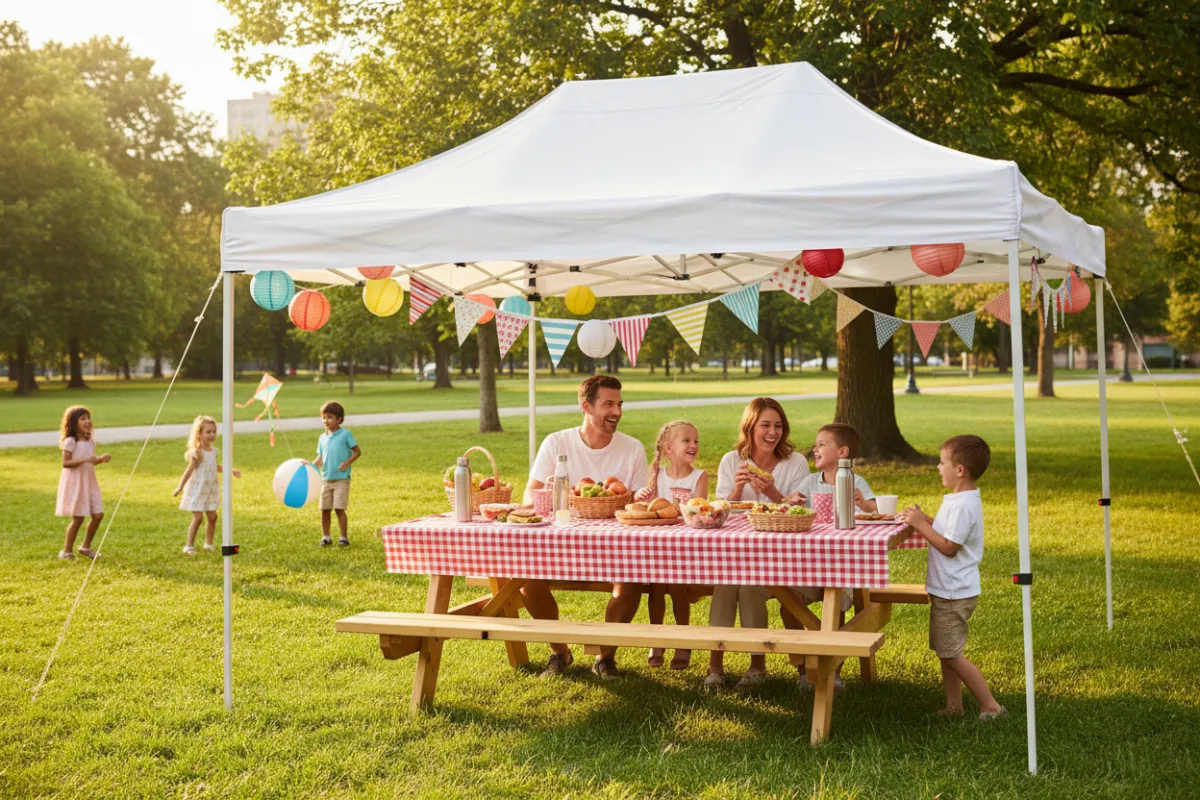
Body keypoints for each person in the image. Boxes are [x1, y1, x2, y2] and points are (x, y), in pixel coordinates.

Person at [524, 375, 649, 680]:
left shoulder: (632, 448)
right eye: (608, 404)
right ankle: (559, 651)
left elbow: (641, 507)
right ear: (586, 406)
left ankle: (605, 658)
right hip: (560, 546)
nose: (616, 411)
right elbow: (529, 496)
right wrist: (547, 492)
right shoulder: (557, 442)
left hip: (615, 548)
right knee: (524, 578)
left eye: (619, 404)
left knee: (631, 579)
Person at [897, 435, 1007, 721]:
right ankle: (953, 706)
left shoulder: (963, 506)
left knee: (951, 655)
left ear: (960, 470)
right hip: (948, 589)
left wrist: (921, 525)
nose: (937, 467)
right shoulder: (958, 500)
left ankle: (991, 706)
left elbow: (949, 546)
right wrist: (927, 519)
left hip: (954, 592)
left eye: (942, 462)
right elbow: (947, 532)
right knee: (947, 652)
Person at [707, 397, 811, 693]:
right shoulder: (732, 460)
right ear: (750, 428)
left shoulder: (796, 463)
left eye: (778, 426)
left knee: (750, 585)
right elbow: (718, 510)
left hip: (786, 555)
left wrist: (773, 493)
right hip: (739, 552)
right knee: (726, 584)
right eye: (765, 425)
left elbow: (800, 512)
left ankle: (756, 667)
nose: (772, 432)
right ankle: (715, 668)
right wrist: (737, 490)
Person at [784, 423, 876, 690]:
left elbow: (873, 509)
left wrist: (863, 503)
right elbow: (790, 507)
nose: (816, 448)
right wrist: (790, 504)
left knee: (832, 605)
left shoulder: (855, 481)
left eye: (822, 444)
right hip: (809, 566)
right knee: (787, 603)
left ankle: (833, 670)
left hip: (841, 566)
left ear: (842, 451)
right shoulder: (810, 482)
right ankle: (803, 669)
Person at [635, 419, 708, 670]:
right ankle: (657, 640)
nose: (693, 445)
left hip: (684, 547)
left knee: (678, 589)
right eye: (686, 440)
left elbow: (699, 508)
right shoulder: (657, 476)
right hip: (658, 546)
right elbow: (649, 508)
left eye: (695, 440)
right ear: (668, 448)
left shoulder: (700, 476)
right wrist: (642, 496)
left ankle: (682, 640)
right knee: (656, 590)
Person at [172, 415, 240, 555]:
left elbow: (216, 466)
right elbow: (189, 471)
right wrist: (180, 487)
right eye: (208, 432)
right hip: (198, 489)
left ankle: (208, 544)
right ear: (199, 434)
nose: (212, 435)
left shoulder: (214, 451)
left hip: (210, 490)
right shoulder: (197, 453)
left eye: (214, 431)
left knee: (213, 517)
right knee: (198, 518)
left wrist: (231, 470)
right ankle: (188, 546)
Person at [56, 406, 110, 560]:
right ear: (73, 423)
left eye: (88, 417)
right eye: (83, 418)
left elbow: (90, 462)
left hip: (89, 481)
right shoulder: (70, 441)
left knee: (98, 515)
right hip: (75, 482)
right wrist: (86, 459)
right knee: (78, 518)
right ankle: (66, 551)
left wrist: (100, 459)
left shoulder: (89, 441)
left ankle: (85, 546)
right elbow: (65, 463)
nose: (87, 421)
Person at [313, 401, 361, 547]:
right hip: (326, 479)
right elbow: (321, 457)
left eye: (330, 417)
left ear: (339, 419)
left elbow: (357, 451)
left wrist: (347, 463)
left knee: (339, 508)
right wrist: (310, 467)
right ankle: (326, 536)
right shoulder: (322, 438)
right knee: (324, 509)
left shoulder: (346, 434)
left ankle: (343, 537)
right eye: (324, 417)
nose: (325, 420)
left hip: (341, 479)